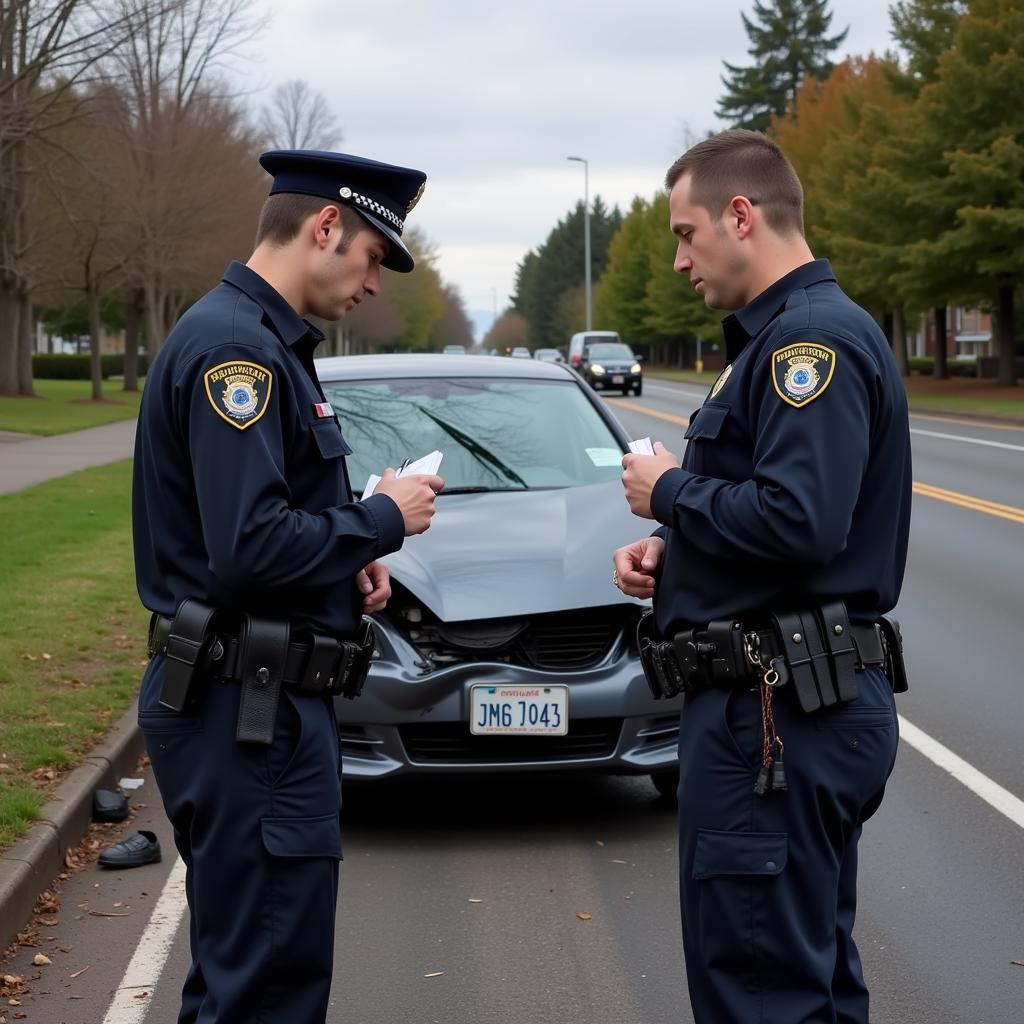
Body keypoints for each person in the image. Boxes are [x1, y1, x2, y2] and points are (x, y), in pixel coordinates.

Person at [130, 150, 444, 1024]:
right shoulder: (241, 353)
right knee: (265, 988)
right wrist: (381, 519)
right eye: (375, 257)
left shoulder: (261, 343)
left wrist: (344, 561)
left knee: (248, 972)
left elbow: (260, 528)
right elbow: (249, 546)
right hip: (249, 713)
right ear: (326, 227)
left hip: (252, 702)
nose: (374, 283)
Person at [614, 129, 911, 1024]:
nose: (676, 261)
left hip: (775, 715)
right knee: (802, 984)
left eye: (685, 233)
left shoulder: (805, 344)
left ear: (740, 216)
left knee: (760, 995)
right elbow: (784, 510)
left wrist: (669, 494)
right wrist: (685, 546)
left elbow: (801, 519)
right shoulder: (777, 340)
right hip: (781, 706)